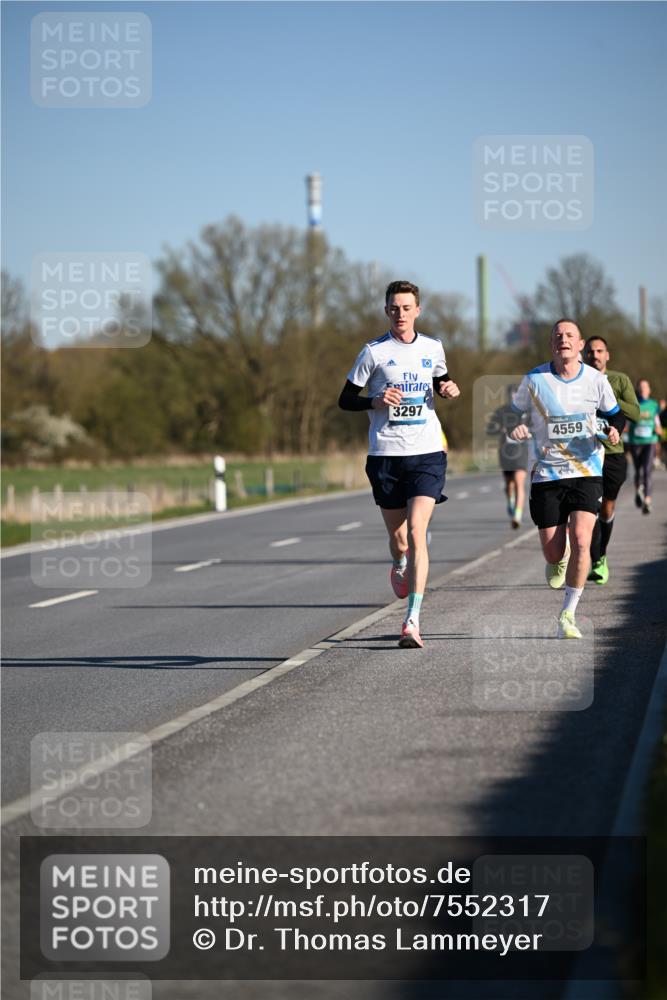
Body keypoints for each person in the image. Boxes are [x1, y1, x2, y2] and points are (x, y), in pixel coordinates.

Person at [338, 280, 460, 648]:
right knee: (400, 539)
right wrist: (375, 402)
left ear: (418, 310)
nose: (400, 314)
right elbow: (345, 400)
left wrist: (448, 388)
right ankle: (400, 562)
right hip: (386, 455)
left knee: (417, 533)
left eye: (407, 308)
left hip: (426, 452)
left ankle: (412, 620)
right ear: (386, 311)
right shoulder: (373, 352)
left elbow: (440, 378)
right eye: (394, 308)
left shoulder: (433, 347)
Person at [509, 319, 625, 639]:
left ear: (579, 344)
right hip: (547, 472)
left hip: (587, 470)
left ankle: (568, 614)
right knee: (553, 552)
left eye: (569, 336)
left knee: (583, 540)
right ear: (552, 345)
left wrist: (615, 429)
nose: (563, 340)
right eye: (558, 336)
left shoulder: (595, 380)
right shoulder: (534, 379)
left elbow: (615, 415)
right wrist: (517, 428)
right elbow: (513, 414)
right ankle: (557, 561)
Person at [582, 336, 639, 583]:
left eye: (599, 351)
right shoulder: (578, 380)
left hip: (614, 453)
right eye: (591, 351)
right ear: (584, 355)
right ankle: (595, 560)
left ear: (607, 355)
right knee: (587, 509)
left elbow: (635, 413)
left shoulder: (619, 380)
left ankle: (600, 555)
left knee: (606, 507)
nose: (595, 355)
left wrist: (608, 394)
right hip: (585, 453)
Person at [487, 386, 531, 529]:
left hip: (522, 452)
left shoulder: (527, 412)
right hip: (506, 452)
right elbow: (490, 429)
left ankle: (517, 516)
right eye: (512, 395)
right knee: (509, 485)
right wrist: (500, 429)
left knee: (519, 481)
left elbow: (538, 427)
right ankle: (510, 502)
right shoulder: (502, 411)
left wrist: (530, 432)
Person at [628, 379, 662, 514]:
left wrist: (658, 428)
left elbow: (656, 420)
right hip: (635, 441)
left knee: (647, 470)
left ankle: (647, 501)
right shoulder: (633, 404)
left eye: (645, 387)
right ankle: (638, 491)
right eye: (641, 387)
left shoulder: (654, 405)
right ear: (638, 390)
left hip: (650, 441)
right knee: (638, 470)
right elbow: (628, 422)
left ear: (649, 390)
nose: (643, 389)